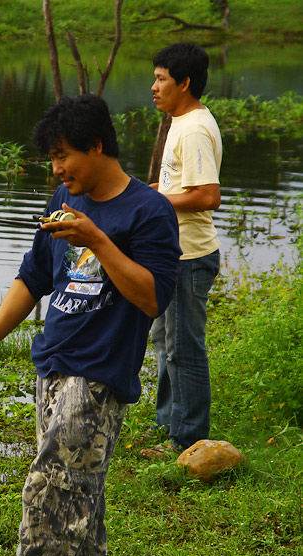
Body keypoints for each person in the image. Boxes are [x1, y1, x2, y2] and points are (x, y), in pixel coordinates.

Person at [0, 94, 180, 556]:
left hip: (97, 377)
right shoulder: (65, 199)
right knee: (82, 510)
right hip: (52, 367)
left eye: (63, 155)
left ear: (96, 145)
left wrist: (97, 240)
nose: (57, 168)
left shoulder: (149, 210)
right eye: (52, 157)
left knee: (50, 504)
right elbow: (33, 277)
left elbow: (154, 298)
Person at [146, 42, 222, 457]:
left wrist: (157, 202)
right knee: (163, 339)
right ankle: (169, 426)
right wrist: (157, 192)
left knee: (183, 347)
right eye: (155, 78)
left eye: (161, 79)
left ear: (184, 83)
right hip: (172, 253)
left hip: (189, 255)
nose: (154, 87)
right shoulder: (181, 120)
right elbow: (184, 189)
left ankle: (187, 439)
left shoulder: (193, 129)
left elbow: (208, 196)